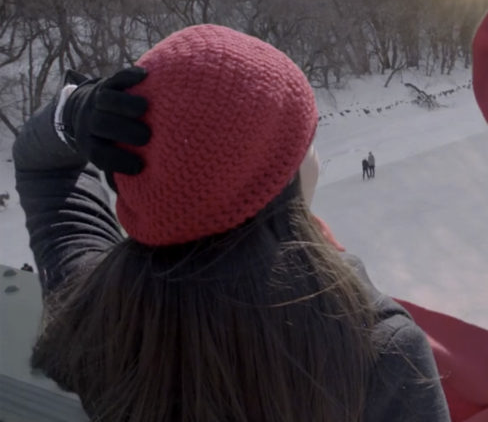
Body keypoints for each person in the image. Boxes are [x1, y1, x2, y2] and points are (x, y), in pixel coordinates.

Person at [13, 25, 449, 421]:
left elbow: (42, 167)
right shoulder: (380, 352)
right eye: (307, 141)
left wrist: (72, 112)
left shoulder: (96, 310)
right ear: (280, 182)